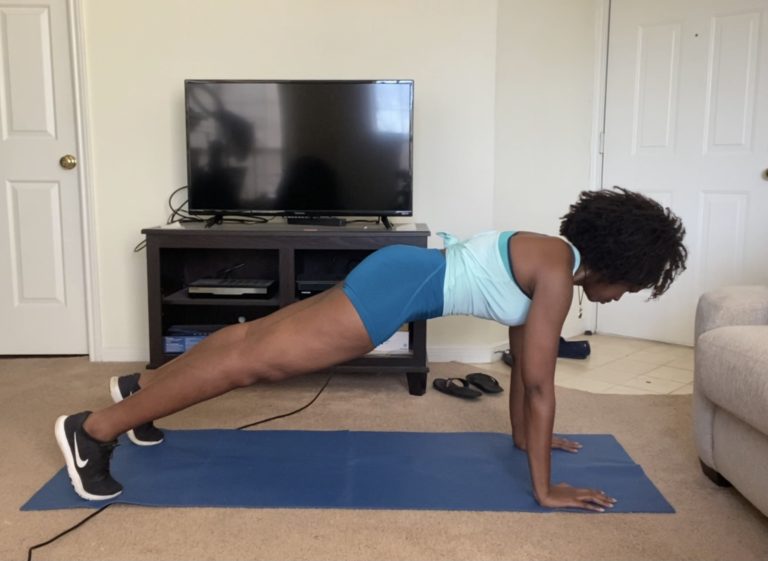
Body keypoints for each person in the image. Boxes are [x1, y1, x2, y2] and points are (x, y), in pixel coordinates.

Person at [54, 187, 687, 511]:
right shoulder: (555, 272)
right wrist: (546, 490)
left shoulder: (553, 258)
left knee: (249, 339)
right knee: (254, 361)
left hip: (401, 274)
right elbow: (544, 385)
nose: (626, 295)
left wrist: (526, 442)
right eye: (634, 282)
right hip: (400, 288)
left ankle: (138, 394)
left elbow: (526, 369)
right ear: (621, 260)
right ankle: (94, 429)